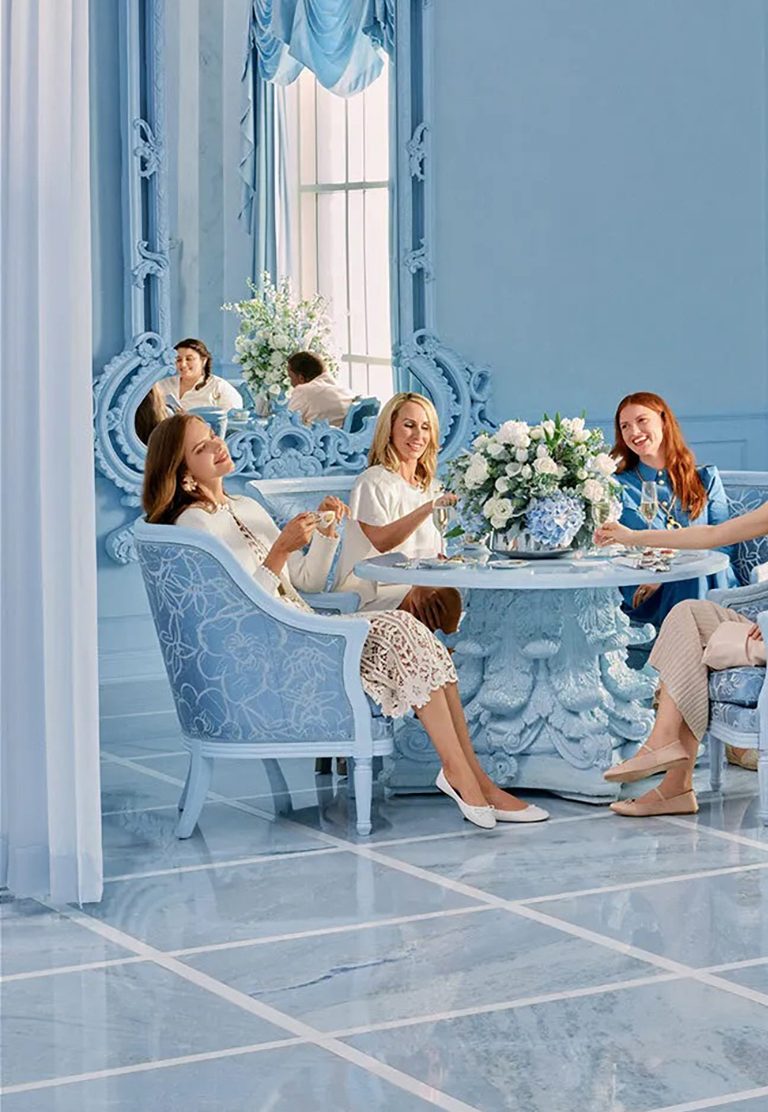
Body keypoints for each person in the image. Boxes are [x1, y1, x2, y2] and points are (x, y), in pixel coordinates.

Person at [142, 415, 543, 828]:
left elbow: (305, 582)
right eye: (200, 447)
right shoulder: (194, 525)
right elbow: (235, 617)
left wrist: (324, 533)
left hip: (302, 625)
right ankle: (465, 777)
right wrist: (279, 550)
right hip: (276, 648)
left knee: (417, 635)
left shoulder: (246, 507)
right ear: (182, 472)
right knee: (399, 628)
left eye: (212, 436)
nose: (216, 445)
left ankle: (471, 776)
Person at [592, 403, 768, 816]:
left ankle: (673, 781)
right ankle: (666, 755)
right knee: (688, 614)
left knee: (693, 645)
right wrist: (631, 537)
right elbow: (715, 533)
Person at [335, 393, 463, 632]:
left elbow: (436, 553)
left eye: (425, 427)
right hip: (372, 592)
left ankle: (442, 663)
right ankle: (441, 663)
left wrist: (431, 577)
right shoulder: (372, 481)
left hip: (418, 586)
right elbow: (382, 542)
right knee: (444, 600)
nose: (418, 435)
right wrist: (428, 508)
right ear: (390, 428)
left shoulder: (431, 487)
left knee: (453, 597)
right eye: (409, 425)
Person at [609, 392, 735, 630]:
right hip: (648, 589)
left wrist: (673, 572)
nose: (633, 432)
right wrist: (657, 577)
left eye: (642, 420)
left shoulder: (705, 478)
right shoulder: (618, 485)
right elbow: (613, 546)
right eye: (625, 426)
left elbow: (724, 541)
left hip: (710, 583)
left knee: (693, 574)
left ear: (664, 421)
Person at [144, 338, 244, 420]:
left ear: (203, 360)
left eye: (189, 359)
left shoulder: (219, 387)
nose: (183, 365)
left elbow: (232, 419)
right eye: (178, 360)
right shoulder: (163, 385)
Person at [283, 351, 357, 425]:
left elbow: (287, 423)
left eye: (291, 377)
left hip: (317, 435)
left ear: (301, 378)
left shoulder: (303, 390)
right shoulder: (346, 392)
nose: (291, 383)